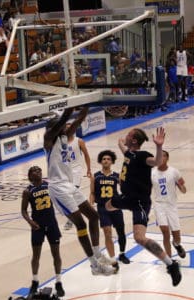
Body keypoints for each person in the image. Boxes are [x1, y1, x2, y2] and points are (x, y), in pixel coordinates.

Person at [44, 107, 116, 276]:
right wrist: (68, 107)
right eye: (61, 125)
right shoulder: (48, 139)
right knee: (81, 224)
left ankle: (97, 252)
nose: (66, 127)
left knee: (94, 216)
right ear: (55, 127)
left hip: (68, 184)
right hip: (58, 188)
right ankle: (94, 265)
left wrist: (84, 103)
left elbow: (77, 121)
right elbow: (64, 121)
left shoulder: (65, 137)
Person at [106, 127, 182, 286]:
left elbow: (157, 161)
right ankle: (111, 224)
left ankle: (171, 265)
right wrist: (121, 141)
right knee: (107, 206)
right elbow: (123, 147)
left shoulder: (142, 156)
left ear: (133, 140)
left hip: (139, 201)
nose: (125, 137)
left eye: (128, 135)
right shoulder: (129, 153)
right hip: (125, 197)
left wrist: (159, 146)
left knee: (139, 237)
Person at [21, 166, 65, 299]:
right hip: (37, 227)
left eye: (39, 170)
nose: (38, 172)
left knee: (56, 254)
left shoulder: (49, 185)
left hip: (52, 224)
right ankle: (35, 281)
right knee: (36, 256)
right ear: (30, 175)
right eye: (34, 170)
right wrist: (30, 222)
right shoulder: (28, 191)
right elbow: (23, 211)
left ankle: (58, 281)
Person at [90, 150, 130, 271]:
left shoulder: (116, 176)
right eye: (104, 159)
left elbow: (125, 189)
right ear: (100, 161)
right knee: (107, 232)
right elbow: (92, 193)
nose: (106, 161)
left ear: (112, 161)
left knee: (121, 232)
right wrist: (91, 203)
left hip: (115, 206)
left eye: (108, 159)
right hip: (102, 208)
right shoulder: (95, 176)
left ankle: (122, 253)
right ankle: (113, 260)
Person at [151, 150, 187, 258]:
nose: (161, 158)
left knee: (177, 236)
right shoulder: (152, 172)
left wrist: (181, 186)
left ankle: (176, 244)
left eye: (164, 156)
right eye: (159, 156)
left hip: (171, 205)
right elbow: (147, 188)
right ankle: (169, 260)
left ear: (167, 158)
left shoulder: (174, 172)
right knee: (165, 232)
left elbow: (184, 190)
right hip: (159, 205)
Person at [63, 122, 92, 230]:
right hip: (65, 171)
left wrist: (88, 169)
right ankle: (74, 213)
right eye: (66, 128)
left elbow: (86, 155)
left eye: (69, 128)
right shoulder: (61, 142)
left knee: (72, 194)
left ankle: (71, 219)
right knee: (67, 195)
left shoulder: (79, 141)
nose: (67, 130)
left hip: (76, 171)